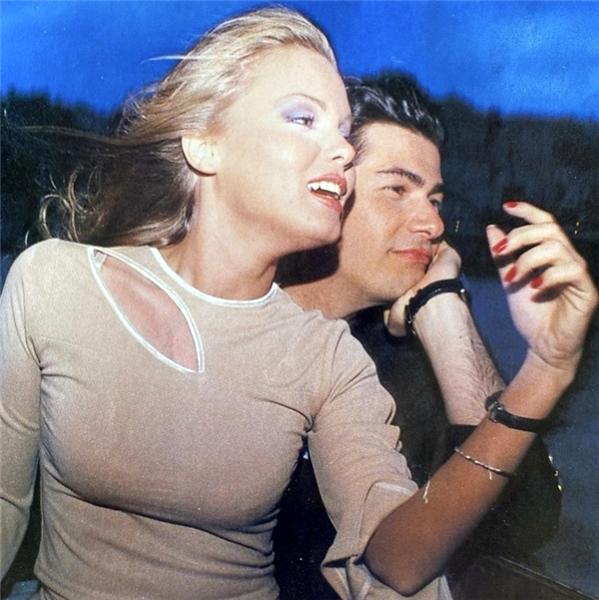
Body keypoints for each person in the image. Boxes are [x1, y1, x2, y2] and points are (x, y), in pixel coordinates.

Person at [0, 7, 596, 599]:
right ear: (205, 144)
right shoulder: (55, 283)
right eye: (303, 118)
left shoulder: (340, 358)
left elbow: (434, 551)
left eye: (342, 132)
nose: (341, 152)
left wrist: (540, 369)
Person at [275, 74, 595, 598]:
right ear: (326, 189)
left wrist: (445, 308)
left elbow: (520, 523)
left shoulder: (394, 356)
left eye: (435, 199)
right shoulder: (234, 321)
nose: (433, 223)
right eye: (397, 190)